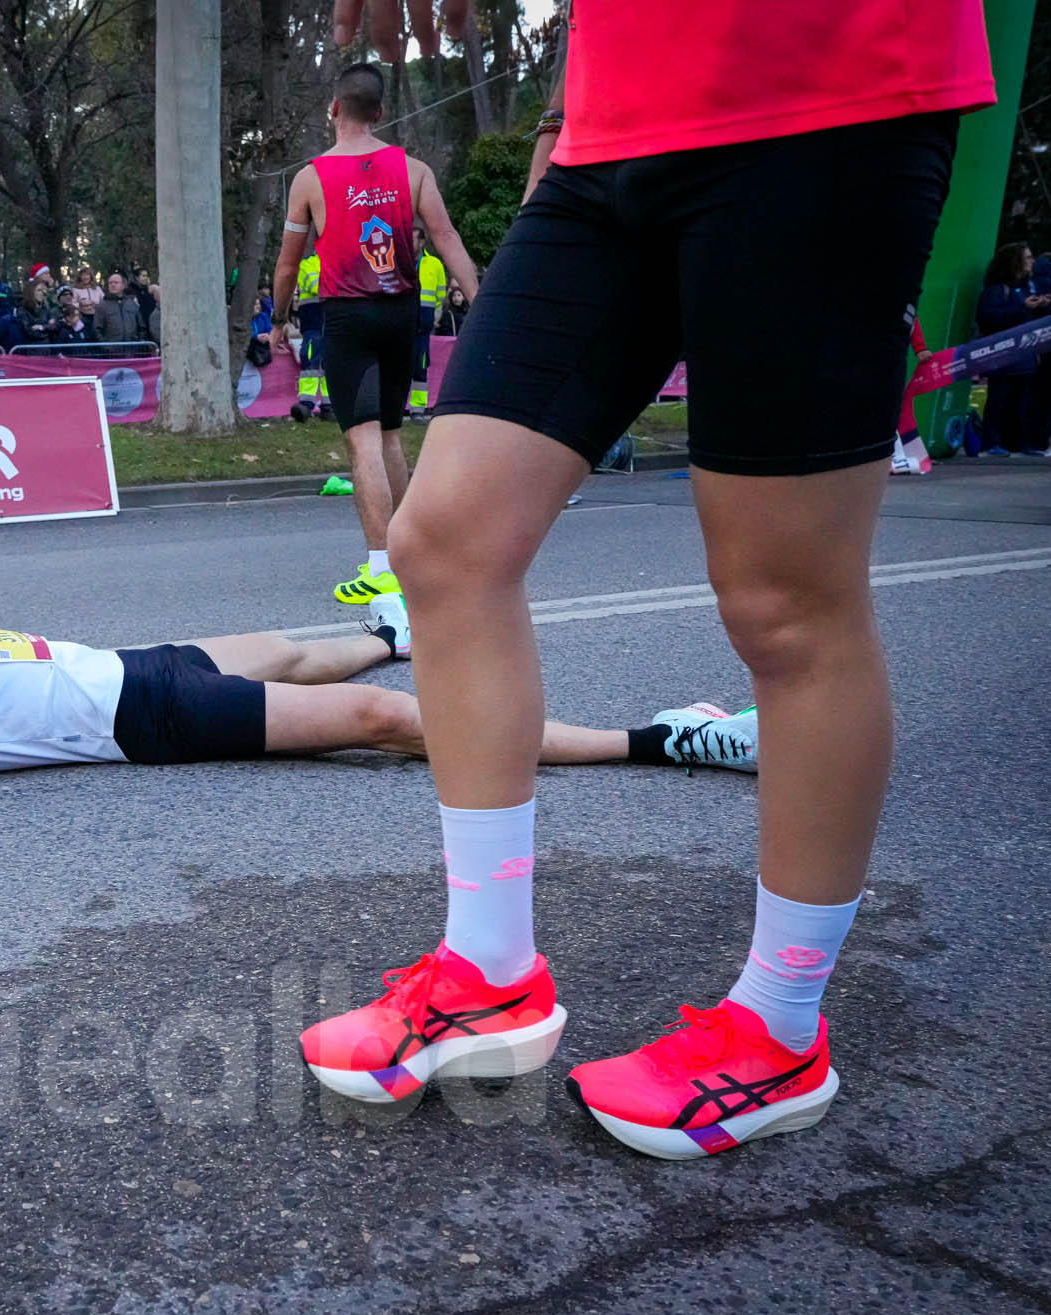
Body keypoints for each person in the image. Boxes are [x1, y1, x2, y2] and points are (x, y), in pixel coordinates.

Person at [300, 0, 993, 1160]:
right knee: (444, 545)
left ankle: (777, 1028)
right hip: (610, 126)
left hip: (822, 93)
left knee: (783, 602)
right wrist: (560, 108)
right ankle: (486, 973)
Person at [0, 516, 757, 794]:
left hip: (126, 665)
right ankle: (660, 739)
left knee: (288, 648)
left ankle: (391, 632)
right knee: (386, 724)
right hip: (145, 722)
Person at [270, 62, 479, 606]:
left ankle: (382, 568)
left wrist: (278, 317)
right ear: (380, 112)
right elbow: (446, 237)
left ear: (334, 109)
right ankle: (411, 560)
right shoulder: (414, 170)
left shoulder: (311, 178)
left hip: (348, 317)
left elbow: (289, 263)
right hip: (401, 314)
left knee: (363, 439)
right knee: (389, 435)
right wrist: (479, 302)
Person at [973, 242, 1047, 457]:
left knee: (1020, 401)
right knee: (999, 400)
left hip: (1024, 355)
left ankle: (1016, 442)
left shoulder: (1026, 287)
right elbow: (989, 318)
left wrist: (1042, 306)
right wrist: (1022, 307)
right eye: (1028, 258)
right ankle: (991, 442)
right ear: (1015, 262)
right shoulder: (997, 290)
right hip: (1004, 355)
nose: (1032, 261)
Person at [410, 225, 448, 414]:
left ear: (422, 242)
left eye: (412, 239)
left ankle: (418, 408)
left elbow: (441, 294)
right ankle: (395, 408)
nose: (408, 243)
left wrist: (435, 315)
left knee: (421, 363)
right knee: (397, 365)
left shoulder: (434, 264)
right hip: (403, 318)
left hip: (424, 320)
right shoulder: (399, 261)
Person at [290, 251, 328, 421]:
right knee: (310, 362)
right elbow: (316, 287)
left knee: (330, 364)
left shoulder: (339, 262)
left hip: (332, 324)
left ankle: (329, 405)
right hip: (313, 324)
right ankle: (306, 403)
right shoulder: (308, 264)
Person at [93, 273, 144, 344]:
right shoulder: (102, 306)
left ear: (123, 285)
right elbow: (96, 329)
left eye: (116, 282)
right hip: (111, 349)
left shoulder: (131, 303)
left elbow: (141, 326)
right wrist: (105, 346)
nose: (113, 285)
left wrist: (140, 343)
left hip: (132, 347)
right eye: (110, 283)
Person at [14, 278, 52, 347]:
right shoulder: (22, 310)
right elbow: (29, 332)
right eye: (39, 290)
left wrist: (41, 327)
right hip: (31, 347)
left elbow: (55, 326)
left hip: (48, 347)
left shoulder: (45, 309)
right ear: (31, 292)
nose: (43, 293)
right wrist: (47, 328)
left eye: (44, 291)